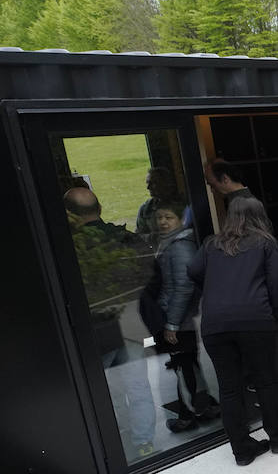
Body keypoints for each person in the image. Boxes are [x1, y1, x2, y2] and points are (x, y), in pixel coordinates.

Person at [187, 197, 278, 466]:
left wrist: (216, 288)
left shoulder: (212, 244)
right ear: (259, 215)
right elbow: (275, 286)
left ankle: (243, 450)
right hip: (256, 320)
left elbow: (192, 270)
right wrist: (276, 315)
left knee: (229, 388)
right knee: (266, 380)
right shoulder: (266, 242)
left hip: (215, 324)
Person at [63, 188, 157, 458]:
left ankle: (116, 441)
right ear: (100, 208)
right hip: (129, 319)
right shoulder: (125, 239)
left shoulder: (72, 246)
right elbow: (149, 275)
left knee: (104, 388)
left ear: (68, 214)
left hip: (95, 326)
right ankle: (144, 443)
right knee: (137, 384)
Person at [139, 200, 220, 433]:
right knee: (189, 366)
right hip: (178, 317)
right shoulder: (170, 243)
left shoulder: (180, 247)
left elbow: (184, 286)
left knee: (183, 368)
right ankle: (205, 406)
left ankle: (187, 416)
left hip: (179, 319)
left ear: (180, 220)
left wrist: (172, 323)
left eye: (169, 217)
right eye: (159, 218)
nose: (162, 222)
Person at [136, 167, 180, 237]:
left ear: (166, 183)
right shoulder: (146, 208)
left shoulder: (179, 205)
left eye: (153, 183)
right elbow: (139, 235)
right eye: (148, 183)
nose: (148, 187)